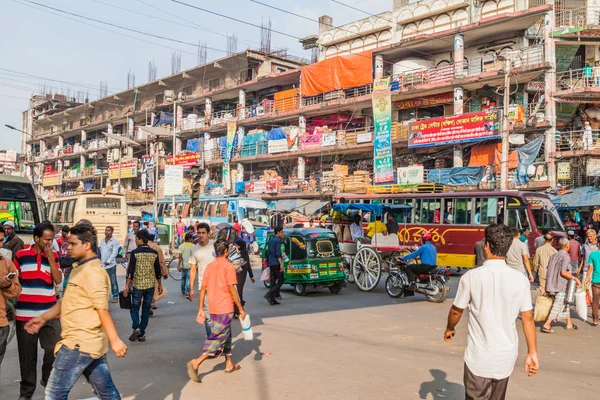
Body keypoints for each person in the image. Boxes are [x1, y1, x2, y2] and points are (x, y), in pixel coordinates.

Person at [24, 223, 127, 399]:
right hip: (87, 343)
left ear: (86, 245)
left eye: (73, 244)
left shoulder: (94, 273)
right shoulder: (80, 269)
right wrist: (43, 318)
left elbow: (101, 309)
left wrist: (115, 340)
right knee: (107, 393)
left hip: (78, 345)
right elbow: (67, 301)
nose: (68, 248)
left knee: (54, 394)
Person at [444, 224, 539, 400]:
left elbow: (456, 310)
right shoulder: (520, 280)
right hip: (506, 356)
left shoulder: (471, 277)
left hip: (479, 357)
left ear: (486, 246)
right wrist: (532, 352)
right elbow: (528, 319)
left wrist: (449, 328)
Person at [186, 239, 247, 383]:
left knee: (226, 334)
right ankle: (197, 362)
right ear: (226, 251)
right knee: (217, 338)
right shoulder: (228, 266)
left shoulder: (209, 266)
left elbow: (203, 289)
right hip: (224, 307)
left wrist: (201, 308)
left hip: (213, 307)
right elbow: (232, 289)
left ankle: (228, 363)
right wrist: (240, 308)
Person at [14, 222, 63, 399]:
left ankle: (46, 377)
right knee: (27, 357)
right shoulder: (21, 255)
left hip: (49, 313)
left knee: (54, 348)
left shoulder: (54, 255)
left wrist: (50, 257)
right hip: (25, 315)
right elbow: (14, 280)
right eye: (46, 240)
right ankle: (26, 393)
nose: (49, 243)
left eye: (52, 239)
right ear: (36, 238)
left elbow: (58, 280)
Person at [124, 230, 163, 342]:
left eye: (136, 239)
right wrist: (159, 285)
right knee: (146, 309)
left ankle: (136, 327)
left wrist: (127, 286)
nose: (135, 241)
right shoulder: (153, 253)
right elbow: (157, 271)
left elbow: (130, 271)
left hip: (138, 285)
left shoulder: (135, 253)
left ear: (140, 239)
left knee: (135, 307)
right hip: (150, 286)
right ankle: (141, 333)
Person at [541, 238, 582, 333]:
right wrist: (575, 278)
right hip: (561, 284)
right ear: (567, 246)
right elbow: (563, 272)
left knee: (565, 302)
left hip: (552, 283)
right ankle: (547, 324)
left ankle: (569, 323)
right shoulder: (566, 257)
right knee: (558, 304)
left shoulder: (554, 255)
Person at [0, 225, 21, 366]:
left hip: (1, 323)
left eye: (1, 240)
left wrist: (6, 284)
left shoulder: (7, 263)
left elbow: (16, 291)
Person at [189, 223, 215, 337]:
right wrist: (191, 289)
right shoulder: (194, 249)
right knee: (208, 316)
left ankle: (219, 339)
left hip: (218, 285)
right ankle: (212, 341)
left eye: (203, 233)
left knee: (219, 314)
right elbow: (193, 270)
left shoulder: (215, 245)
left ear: (209, 234)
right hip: (203, 287)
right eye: (199, 233)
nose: (201, 235)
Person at [233, 238, 255, 317]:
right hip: (233, 274)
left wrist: (251, 276)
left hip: (242, 275)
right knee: (234, 292)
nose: (235, 246)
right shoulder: (233, 253)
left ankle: (237, 310)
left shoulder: (244, 254)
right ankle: (238, 307)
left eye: (236, 245)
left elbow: (248, 265)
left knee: (239, 291)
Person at [99, 226, 120, 303]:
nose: (107, 232)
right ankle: (104, 295)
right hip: (102, 265)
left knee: (113, 281)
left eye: (109, 230)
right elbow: (101, 251)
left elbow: (114, 253)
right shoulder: (102, 240)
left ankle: (115, 295)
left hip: (111, 265)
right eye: (106, 230)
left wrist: (109, 261)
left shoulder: (114, 241)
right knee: (103, 281)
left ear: (112, 232)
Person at [265, 226, 284, 305]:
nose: (283, 234)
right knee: (281, 280)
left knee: (273, 281)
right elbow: (278, 254)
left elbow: (268, 252)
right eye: (282, 232)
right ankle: (269, 294)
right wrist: (281, 264)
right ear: (278, 232)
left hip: (271, 262)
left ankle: (272, 299)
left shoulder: (271, 240)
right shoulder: (278, 241)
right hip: (276, 263)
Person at [585, 248, 600, 326]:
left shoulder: (592, 254)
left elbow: (590, 268)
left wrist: (587, 278)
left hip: (596, 281)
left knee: (595, 301)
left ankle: (595, 320)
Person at [178, 233, 195, 298]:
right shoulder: (193, 246)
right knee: (188, 278)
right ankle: (187, 292)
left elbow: (180, 256)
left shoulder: (181, 246)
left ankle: (183, 291)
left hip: (183, 265)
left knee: (183, 278)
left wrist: (178, 265)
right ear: (190, 238)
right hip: (191, 265)